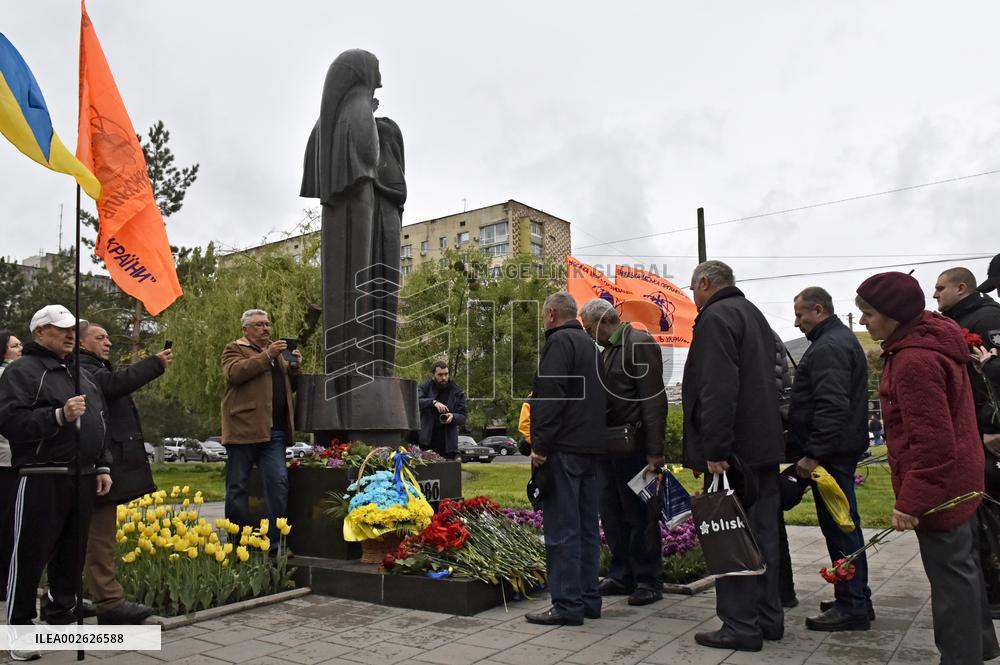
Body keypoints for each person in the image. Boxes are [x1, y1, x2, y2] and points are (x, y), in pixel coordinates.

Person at [856, 271, 1000, 664]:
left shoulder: (914, 360)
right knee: (964, 571)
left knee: (951, 582)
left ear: (893, 313)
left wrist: (912, 501)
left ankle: (960, 657)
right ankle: (981, 647)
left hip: (942, 486)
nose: (865, 322)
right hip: (961, 479)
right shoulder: (930, 340)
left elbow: (932, 443)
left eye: (868, 313)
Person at [682, 261, 784, 652]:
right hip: (762, 448)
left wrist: (715, 449)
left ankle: (740, 624)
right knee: (763, 538)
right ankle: (768, 618)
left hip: (734, 454)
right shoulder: (753, 314)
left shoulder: (716, 317)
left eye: (693, 289)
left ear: (705, 283)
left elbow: (718, 387)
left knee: (731, 535)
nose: (694, 297)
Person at [0, 305, 112, 661]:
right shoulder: (22, 372)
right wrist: (58, 416)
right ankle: (20, 629)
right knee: (30, 556)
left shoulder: (79, 372)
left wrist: (103, 465)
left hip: (82, 476)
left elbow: (98, 420)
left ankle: (61, 619)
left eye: (72, 328)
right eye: (59, 328)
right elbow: (10, 421)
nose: (69, 334)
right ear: (38, 333)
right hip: (41, 476)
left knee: (71, 555)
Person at [788, 287, 874, 631]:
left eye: (800, 315)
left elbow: (831, 404)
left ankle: (852, 604)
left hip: (832, 455)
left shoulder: (829, 346)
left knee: (840, 528)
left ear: (819, 310)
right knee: (843, 526)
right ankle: (854, 596)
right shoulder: (834, 341)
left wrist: (813, 454)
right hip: (838, 450)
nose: (797, 323)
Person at [76, 321, 170, 624]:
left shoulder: (87, 366)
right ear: (79, 343)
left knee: (80, 537)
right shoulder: (84, 369)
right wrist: (154, 363)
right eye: (99, 338)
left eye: (107, 337)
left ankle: (64, 598)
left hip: (95, 464)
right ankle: (109, 603)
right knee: (99, 537)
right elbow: (114, 384)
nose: (107, 342)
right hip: (94, 466)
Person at [525, 291, 606, 625]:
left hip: (564, 450)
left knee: (562, 529)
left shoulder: (559, 344)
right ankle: (588, 599)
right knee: (587, 528)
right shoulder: (592, 347)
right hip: (591, 449)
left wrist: (540, 447)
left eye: (545, 315)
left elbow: (550, 397)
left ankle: (567, 605)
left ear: (551, 314)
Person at [580, 298, 667, 607]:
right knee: (613, 513)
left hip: (635, 448)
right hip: (610, 448)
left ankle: (648, 579)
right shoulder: (608, 351)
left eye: (590, 329)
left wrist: (655, 452)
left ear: (604, 322)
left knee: (640, 515)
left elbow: (654, 401)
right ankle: (622, 575)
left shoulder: (638, 343)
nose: (590, 336)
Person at [221, 309, 300, 553]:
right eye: (258, 325)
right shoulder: (234, 348)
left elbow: (289, 388)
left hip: (273, 431)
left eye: (267, 324)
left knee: (278, 482)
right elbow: (234, 374)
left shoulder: (278, 355)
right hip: (243, 427)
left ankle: (276, 542)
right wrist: (267, 356)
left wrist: (295, 368)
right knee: (237, 486)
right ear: (245, 329)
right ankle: (238, 542)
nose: (265, 328)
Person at [0, 330, 23, 599]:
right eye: (15, 346)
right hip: (7, 459)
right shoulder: (8, 376)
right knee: (7, 523)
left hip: (8, 457)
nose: (21, 350)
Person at [416, 361, 467, 459]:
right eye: (440, 375)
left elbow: (463, 416)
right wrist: (432, 402)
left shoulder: (457, 391)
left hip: (448, 444)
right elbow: (415, 402)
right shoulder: (425, 387)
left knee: (448, 473)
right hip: (426, 440)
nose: (444, 378)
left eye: (446, 374)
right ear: (433, 375)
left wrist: (453, 417)